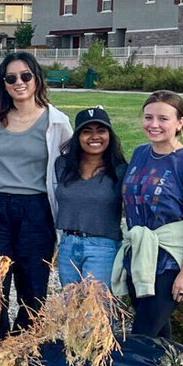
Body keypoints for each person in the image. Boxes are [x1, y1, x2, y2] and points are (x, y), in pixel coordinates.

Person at [0, 51, 72, 336]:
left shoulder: (57, 121)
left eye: (25, 76)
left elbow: (67, 167)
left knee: (33, 281)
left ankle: (24, 345)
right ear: (3, 83)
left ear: (36, 79)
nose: (19, 82)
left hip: (36, 210)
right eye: (11, 78)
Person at [113, 91, 183, 339]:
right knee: (158, 335)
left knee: (141, 336)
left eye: (163, 118)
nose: (154, 125)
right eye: (148, 117)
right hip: (139, 255)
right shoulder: (140, 154)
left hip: (169, 260)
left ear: (180, 122)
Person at [54, 106, 127, 288]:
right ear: (78, 137)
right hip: (68, 244)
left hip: (103, 246)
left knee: (95, 310)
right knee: (70, 307)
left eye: (101, 131)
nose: (95, 137)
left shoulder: (121, 170)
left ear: (109, 135)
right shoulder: (62, 165)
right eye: (87, 132)